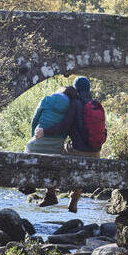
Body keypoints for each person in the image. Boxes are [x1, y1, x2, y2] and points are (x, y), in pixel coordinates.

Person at [35, 76, 106, 213]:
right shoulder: (95, 104)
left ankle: (50, 194)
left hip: (77, 150)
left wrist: (45, 131)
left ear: (76, 89)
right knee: (81, 168)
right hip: (96, 153)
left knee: (55, 153)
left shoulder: (75, 103)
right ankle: (73, 201)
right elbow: (104, 132)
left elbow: (64, 126)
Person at [25, 86, 78, 206]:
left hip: (36, 143)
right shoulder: (70, 106)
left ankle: (29, 184)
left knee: (29, 150)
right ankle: (50, 193)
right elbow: (66, 128)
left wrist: (34, 136)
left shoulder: (47, 99)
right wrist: (60, 139)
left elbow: (35, 119)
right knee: (54, 165)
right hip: (57, 145)